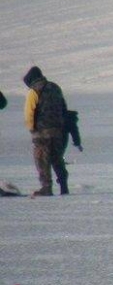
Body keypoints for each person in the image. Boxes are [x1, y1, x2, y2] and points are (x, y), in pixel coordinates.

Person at [23, 66, 68, 196]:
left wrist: (31, 128)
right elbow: (63, 107)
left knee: (42, 160)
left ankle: (46, 187)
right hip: (57, 130)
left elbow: (29, 112)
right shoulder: (55, 87)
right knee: (57, 158)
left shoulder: (33, 91)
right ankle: (64, 185)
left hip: (41, 131)